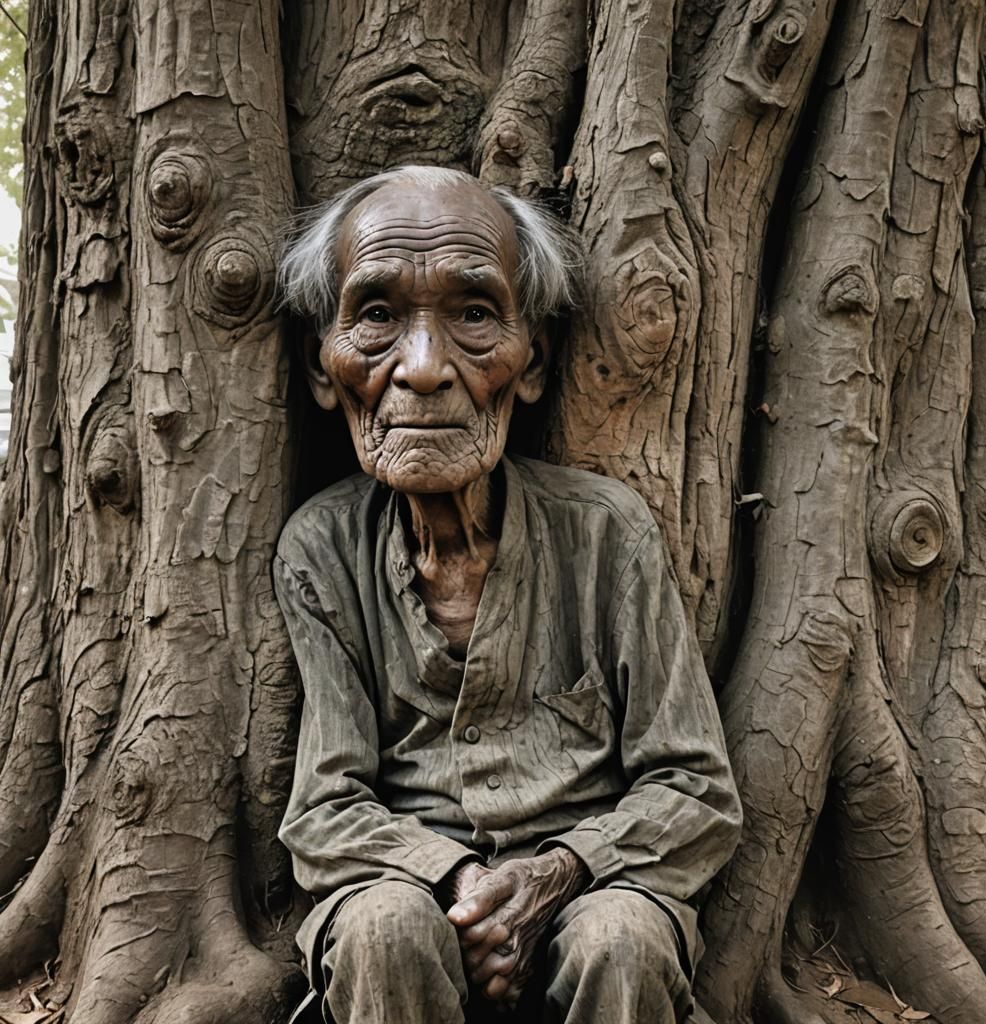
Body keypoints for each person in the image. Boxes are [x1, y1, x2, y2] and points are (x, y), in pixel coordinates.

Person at [273, 165, 742, 1024]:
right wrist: (454, 879)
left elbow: (695, 788)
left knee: (624, 941)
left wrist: (560, 870)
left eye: (475, 314)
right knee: (381, 930)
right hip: (407, 888)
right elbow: (326, 808)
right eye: (376, 316)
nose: (421, 369)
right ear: (321, 366)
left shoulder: (607, 533)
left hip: (594, 883)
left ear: (531, 365)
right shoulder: (323, 548)